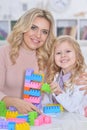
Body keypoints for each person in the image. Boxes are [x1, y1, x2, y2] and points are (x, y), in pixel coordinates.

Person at [0, 8, 55, 114]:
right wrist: (12, 102)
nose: (38, 35)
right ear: (24, 27)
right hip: (6, 118)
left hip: (34, 118)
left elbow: (67, 80)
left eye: (44, 32)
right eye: (33, 28)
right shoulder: (3, 53)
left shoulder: (47, 57)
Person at [46, 35, 87, 116]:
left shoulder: (81, 79)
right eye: (58, 53)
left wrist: (58, 92)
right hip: (64, 116)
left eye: (68, 51)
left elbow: (73, 107)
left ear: (77, 55)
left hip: (79, 119)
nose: (63, 55)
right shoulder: (57, 76)